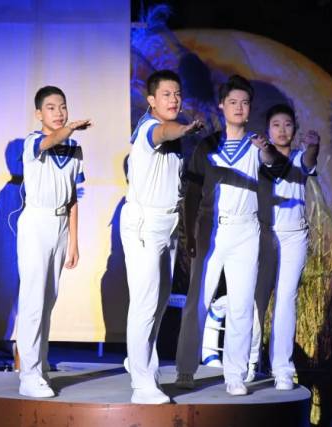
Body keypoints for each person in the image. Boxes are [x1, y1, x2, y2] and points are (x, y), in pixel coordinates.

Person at [175, 75, 286, 396]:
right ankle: (185, 369)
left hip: (246, 231)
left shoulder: (257, 144)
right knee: (198, 300)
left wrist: (267, 151)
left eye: (245, 103)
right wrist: (189, 234)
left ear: (250, 109)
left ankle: (234, 373)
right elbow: (192, 191)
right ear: (221, 106)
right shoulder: (207, 145)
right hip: (211, 229)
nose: (239, 108)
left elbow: (275, 166)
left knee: (241, 304)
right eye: (233, 102)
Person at [121, 69, 203, 404]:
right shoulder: (149, 129)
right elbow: (163, 132)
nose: (174, 99)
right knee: (145, 302)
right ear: (151, 100)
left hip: (167, 225)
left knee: (158, 301)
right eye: (166, 94)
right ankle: (141, 384)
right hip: (145, 224)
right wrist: (183, 128)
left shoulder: (173, 137)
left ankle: (139, 361)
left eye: (177, 94)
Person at [16, 85, 91, 398]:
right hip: (37, 222)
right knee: (33, 301)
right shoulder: (33, 142)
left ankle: (40, 366)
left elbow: (73, 197)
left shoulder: (74, 147)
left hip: (60, 225)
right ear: (38, 113)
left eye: (63, 106)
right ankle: (28, 375)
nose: (59, 113)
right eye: (51, 107)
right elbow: (49, 141)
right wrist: (69, 128)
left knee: (48, 301)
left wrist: (73, 241)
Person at [249, 103, 319, 390]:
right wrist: (264, 148)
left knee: (286, 300)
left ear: (295, 129)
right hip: (265, 235)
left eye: (287, 124)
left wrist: (314, 146)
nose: (282, 130)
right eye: (276, 125)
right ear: (268, 129)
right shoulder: (260, 155)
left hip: (295, 237)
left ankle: (282, 369)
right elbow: (268, 159)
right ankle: (250, 361)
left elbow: (310, 161)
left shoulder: (300, 157)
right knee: (257, 299)